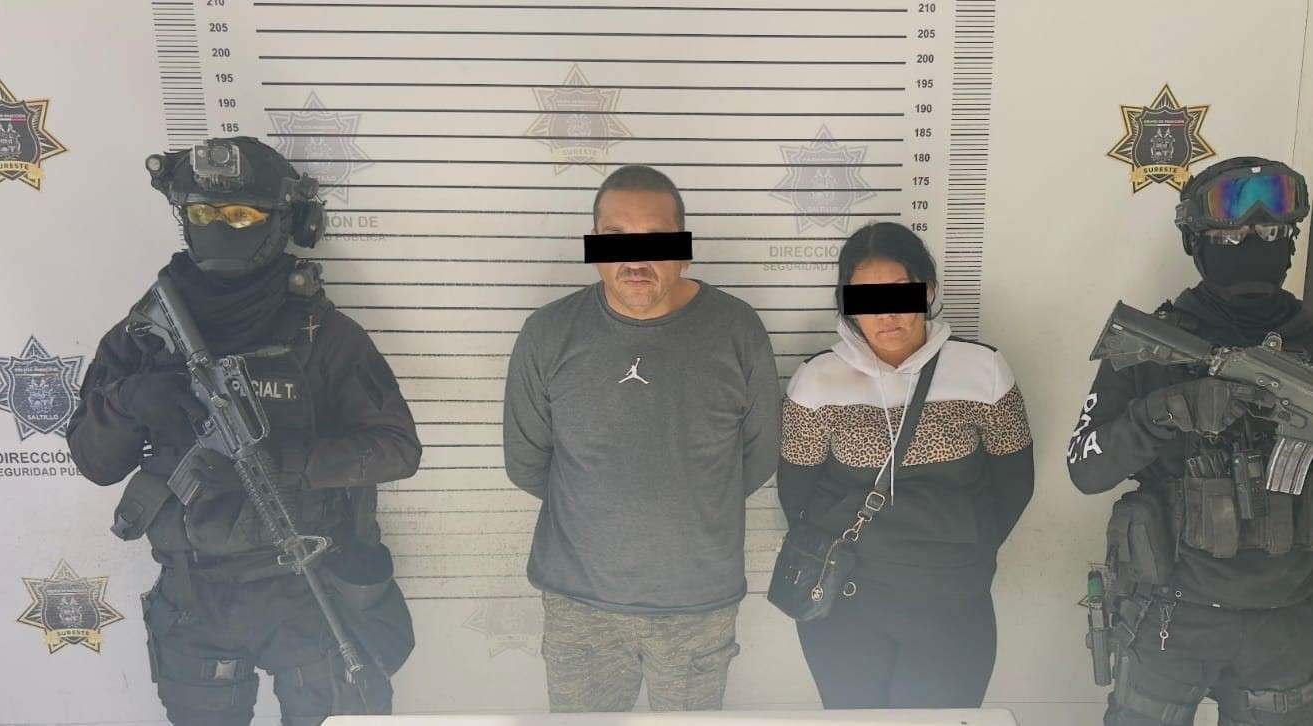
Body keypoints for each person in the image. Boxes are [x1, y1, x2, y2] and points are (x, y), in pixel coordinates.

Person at [67, 137, 422, 725]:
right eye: (204, 213)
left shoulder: (320, 334)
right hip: (195, 595)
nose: (221, 227)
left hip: (307, 588)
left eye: (241, 215)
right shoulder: (146, 335)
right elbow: (94, 460)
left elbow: (397, 449)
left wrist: (287, 463)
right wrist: (131, 400)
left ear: (283, 220)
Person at [502, 164, 781, 712]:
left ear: (684, 250)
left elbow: (758, 455)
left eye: (655, 238)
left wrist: (685, 507)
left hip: (697, 604)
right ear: (593, 245)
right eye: (615, 238)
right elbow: (527, 461)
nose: (635, 258)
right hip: (580, 605)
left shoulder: (736, 329)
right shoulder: (548, 333)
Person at [1067, 156, 1313, 726]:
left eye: (1270, 231)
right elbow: (1085, 468)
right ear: (1196, 241)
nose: (1251, 241)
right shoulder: (1156, 344)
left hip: (1289, 622)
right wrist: (1166, 411)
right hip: (1170, 617)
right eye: (1230, 234)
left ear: (1291, 240)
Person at [777, 221, 1033, 709]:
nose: (887, 313)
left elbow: (1015, 484)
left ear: (928, 290)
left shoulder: (983, 371)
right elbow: (797, 496)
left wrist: (967, 551)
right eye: (866, 297)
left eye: (900, 292)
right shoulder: (817, 381)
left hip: (952, 601)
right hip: (846, 603)